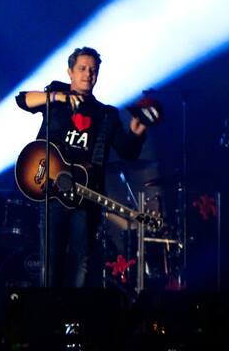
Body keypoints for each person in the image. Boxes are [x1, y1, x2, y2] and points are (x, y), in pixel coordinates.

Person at [15, 47, 148, 287]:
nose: (88, 74)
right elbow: (22, 100)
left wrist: (137, 133)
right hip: (52, 191)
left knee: (81, 261)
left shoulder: (106, 114)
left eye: (93, 70)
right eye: (82, 69)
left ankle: (75, 309)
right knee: (51, 260)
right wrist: (58, 97)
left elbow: (128, 152)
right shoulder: (56, 99)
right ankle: (47, 306)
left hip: (85, 196)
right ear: (70, 72)